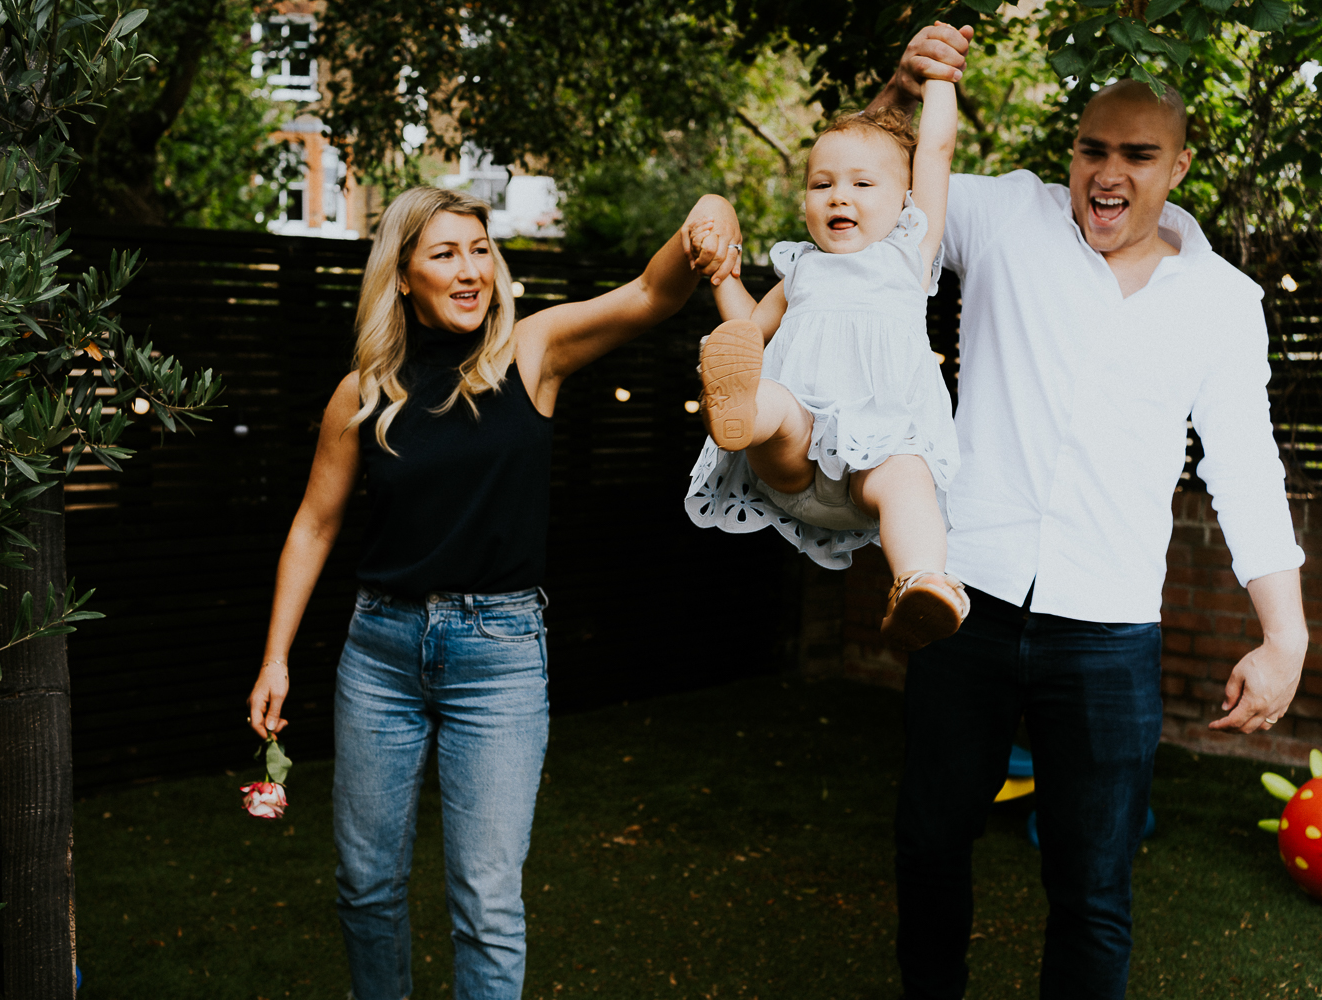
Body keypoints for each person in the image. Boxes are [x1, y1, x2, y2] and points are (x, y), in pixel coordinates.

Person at [871, 24, 1308, 1000]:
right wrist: (901, 95)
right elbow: (865, 188)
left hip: (1110, 629)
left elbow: (1245, 465)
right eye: (1092, 149)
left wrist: (1284, 634)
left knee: (1094, 884)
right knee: (929, 840)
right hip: (964, 594)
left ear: (1178, 165)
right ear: (1071, 153)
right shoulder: (1004, 220)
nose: (1107, 174)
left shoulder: (1226, 303)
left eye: (1137, 154)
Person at [243, 185, 742, 1000]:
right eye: (445, 254)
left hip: (499, 658)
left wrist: (706, 214)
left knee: (488, 904)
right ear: (402, 275)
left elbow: (653, 293)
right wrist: (275, 659)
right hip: (381, 655)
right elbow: (313, 526)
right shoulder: (363, 390)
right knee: (366, 888)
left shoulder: (530, 353)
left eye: (481, 250)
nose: (471, 270)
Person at [684, 68, 969, 650]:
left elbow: (936, 150)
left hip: (874, 468)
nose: (839, 195)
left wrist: (941, 77)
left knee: (909, 476)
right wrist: (723, 276)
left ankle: (920, 581)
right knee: (778, 403)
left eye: (863, 184)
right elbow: (748, 330)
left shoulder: (908, 257)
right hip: (795, 461)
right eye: (822, 184)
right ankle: (738, 410)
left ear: (905, 201)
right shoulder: (801, 271)